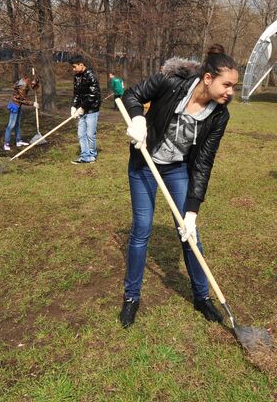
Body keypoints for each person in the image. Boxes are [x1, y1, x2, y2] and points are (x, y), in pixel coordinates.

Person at [119, 44, 238, 328]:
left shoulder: (219, 115)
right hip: (144, 165)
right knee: (142, 230)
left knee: (189, 235)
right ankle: (132, 297)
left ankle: (201, 297)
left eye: (234, 86)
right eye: (227, 84)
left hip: (177, 169)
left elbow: (203, 163)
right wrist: (137, 118)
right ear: (208, 78)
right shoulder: (171, 83)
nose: (230, 92)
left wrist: (192, 212)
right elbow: (131, 94)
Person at [70, 56, 102, 164]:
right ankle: (85, 156)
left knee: (90, 134)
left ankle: (92, 155)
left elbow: (93, 95)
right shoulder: (77, 77)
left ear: (81, 65)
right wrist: (74, 106)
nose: (73, 69)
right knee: (81, 134)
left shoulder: (91, 76)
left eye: (74, 67)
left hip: (92, 110)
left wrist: (82, 108)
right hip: (81, 109)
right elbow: (76, 94)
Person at [3, 74, 39, 151]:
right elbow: (22, 99)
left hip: (18, 104)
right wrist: (33, 103)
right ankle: (6, 143)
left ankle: (18, 141)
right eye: (34, 86)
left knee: (17, 124)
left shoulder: (26, 82)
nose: (33, 89)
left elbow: (23, 97)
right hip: (14, 105)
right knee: (11, 125)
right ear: (31, 83)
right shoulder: (24, 85)